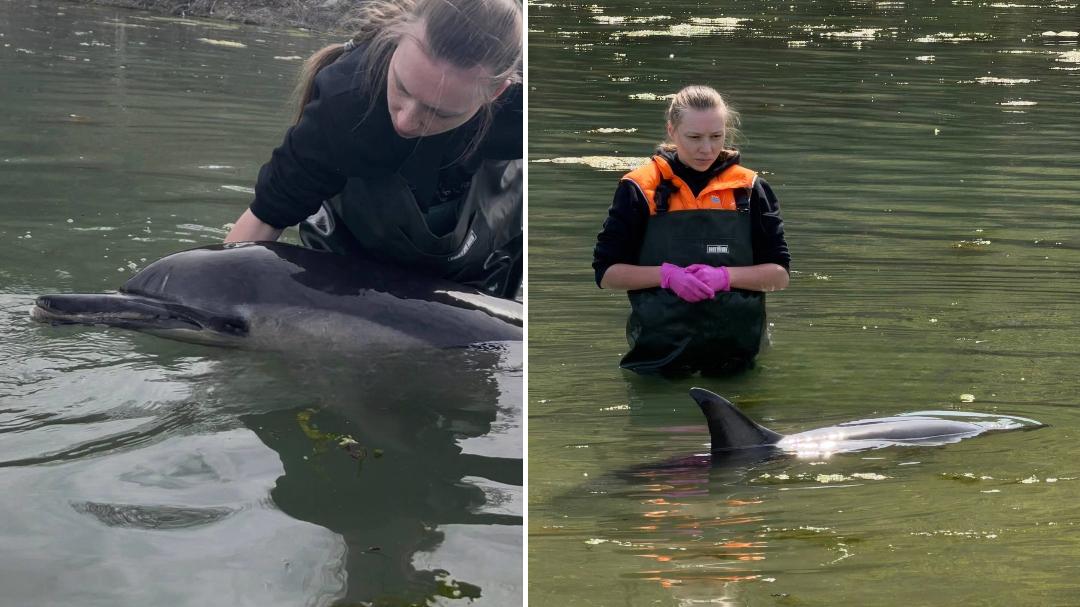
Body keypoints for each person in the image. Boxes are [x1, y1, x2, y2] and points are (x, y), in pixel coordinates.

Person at [225, 0, 523, 299]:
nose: (405, 122)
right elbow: (267, 216)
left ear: (497, 92)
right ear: (395, 41)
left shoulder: (521, 109)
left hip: (481, 265)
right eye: (402, 88)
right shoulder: (345, 102)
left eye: (440, 113)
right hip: (353, 264)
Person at [592, 85, 791, 376]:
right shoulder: (638, 188)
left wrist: (725, 277)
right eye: (694, 137)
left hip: (738, 361)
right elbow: (607, 274)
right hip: (656, 362)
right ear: (672, 130)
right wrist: (667, 276)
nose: (707, 149)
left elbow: (780, 275)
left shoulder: (750, 188)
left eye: (716, 137)